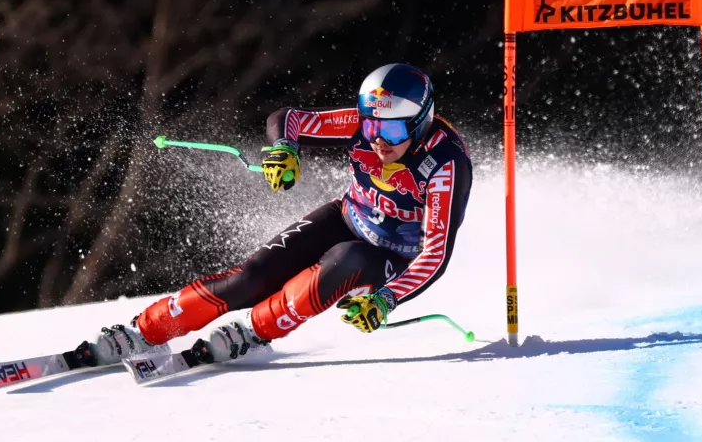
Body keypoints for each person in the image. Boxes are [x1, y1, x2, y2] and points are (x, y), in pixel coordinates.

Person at [81, 63, 473, 366]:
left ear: (420, 123)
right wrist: (283, 148)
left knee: (344, 261)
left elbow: (434, 253)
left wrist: (387, 299)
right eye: (371, 126)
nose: (377, 139)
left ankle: (253, 331)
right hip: (347, 216)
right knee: (248, 278)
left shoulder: (445, 164)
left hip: (393, 256)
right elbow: (290, 118)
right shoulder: (361, 124)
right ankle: (145, 329)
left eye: (391, 131)